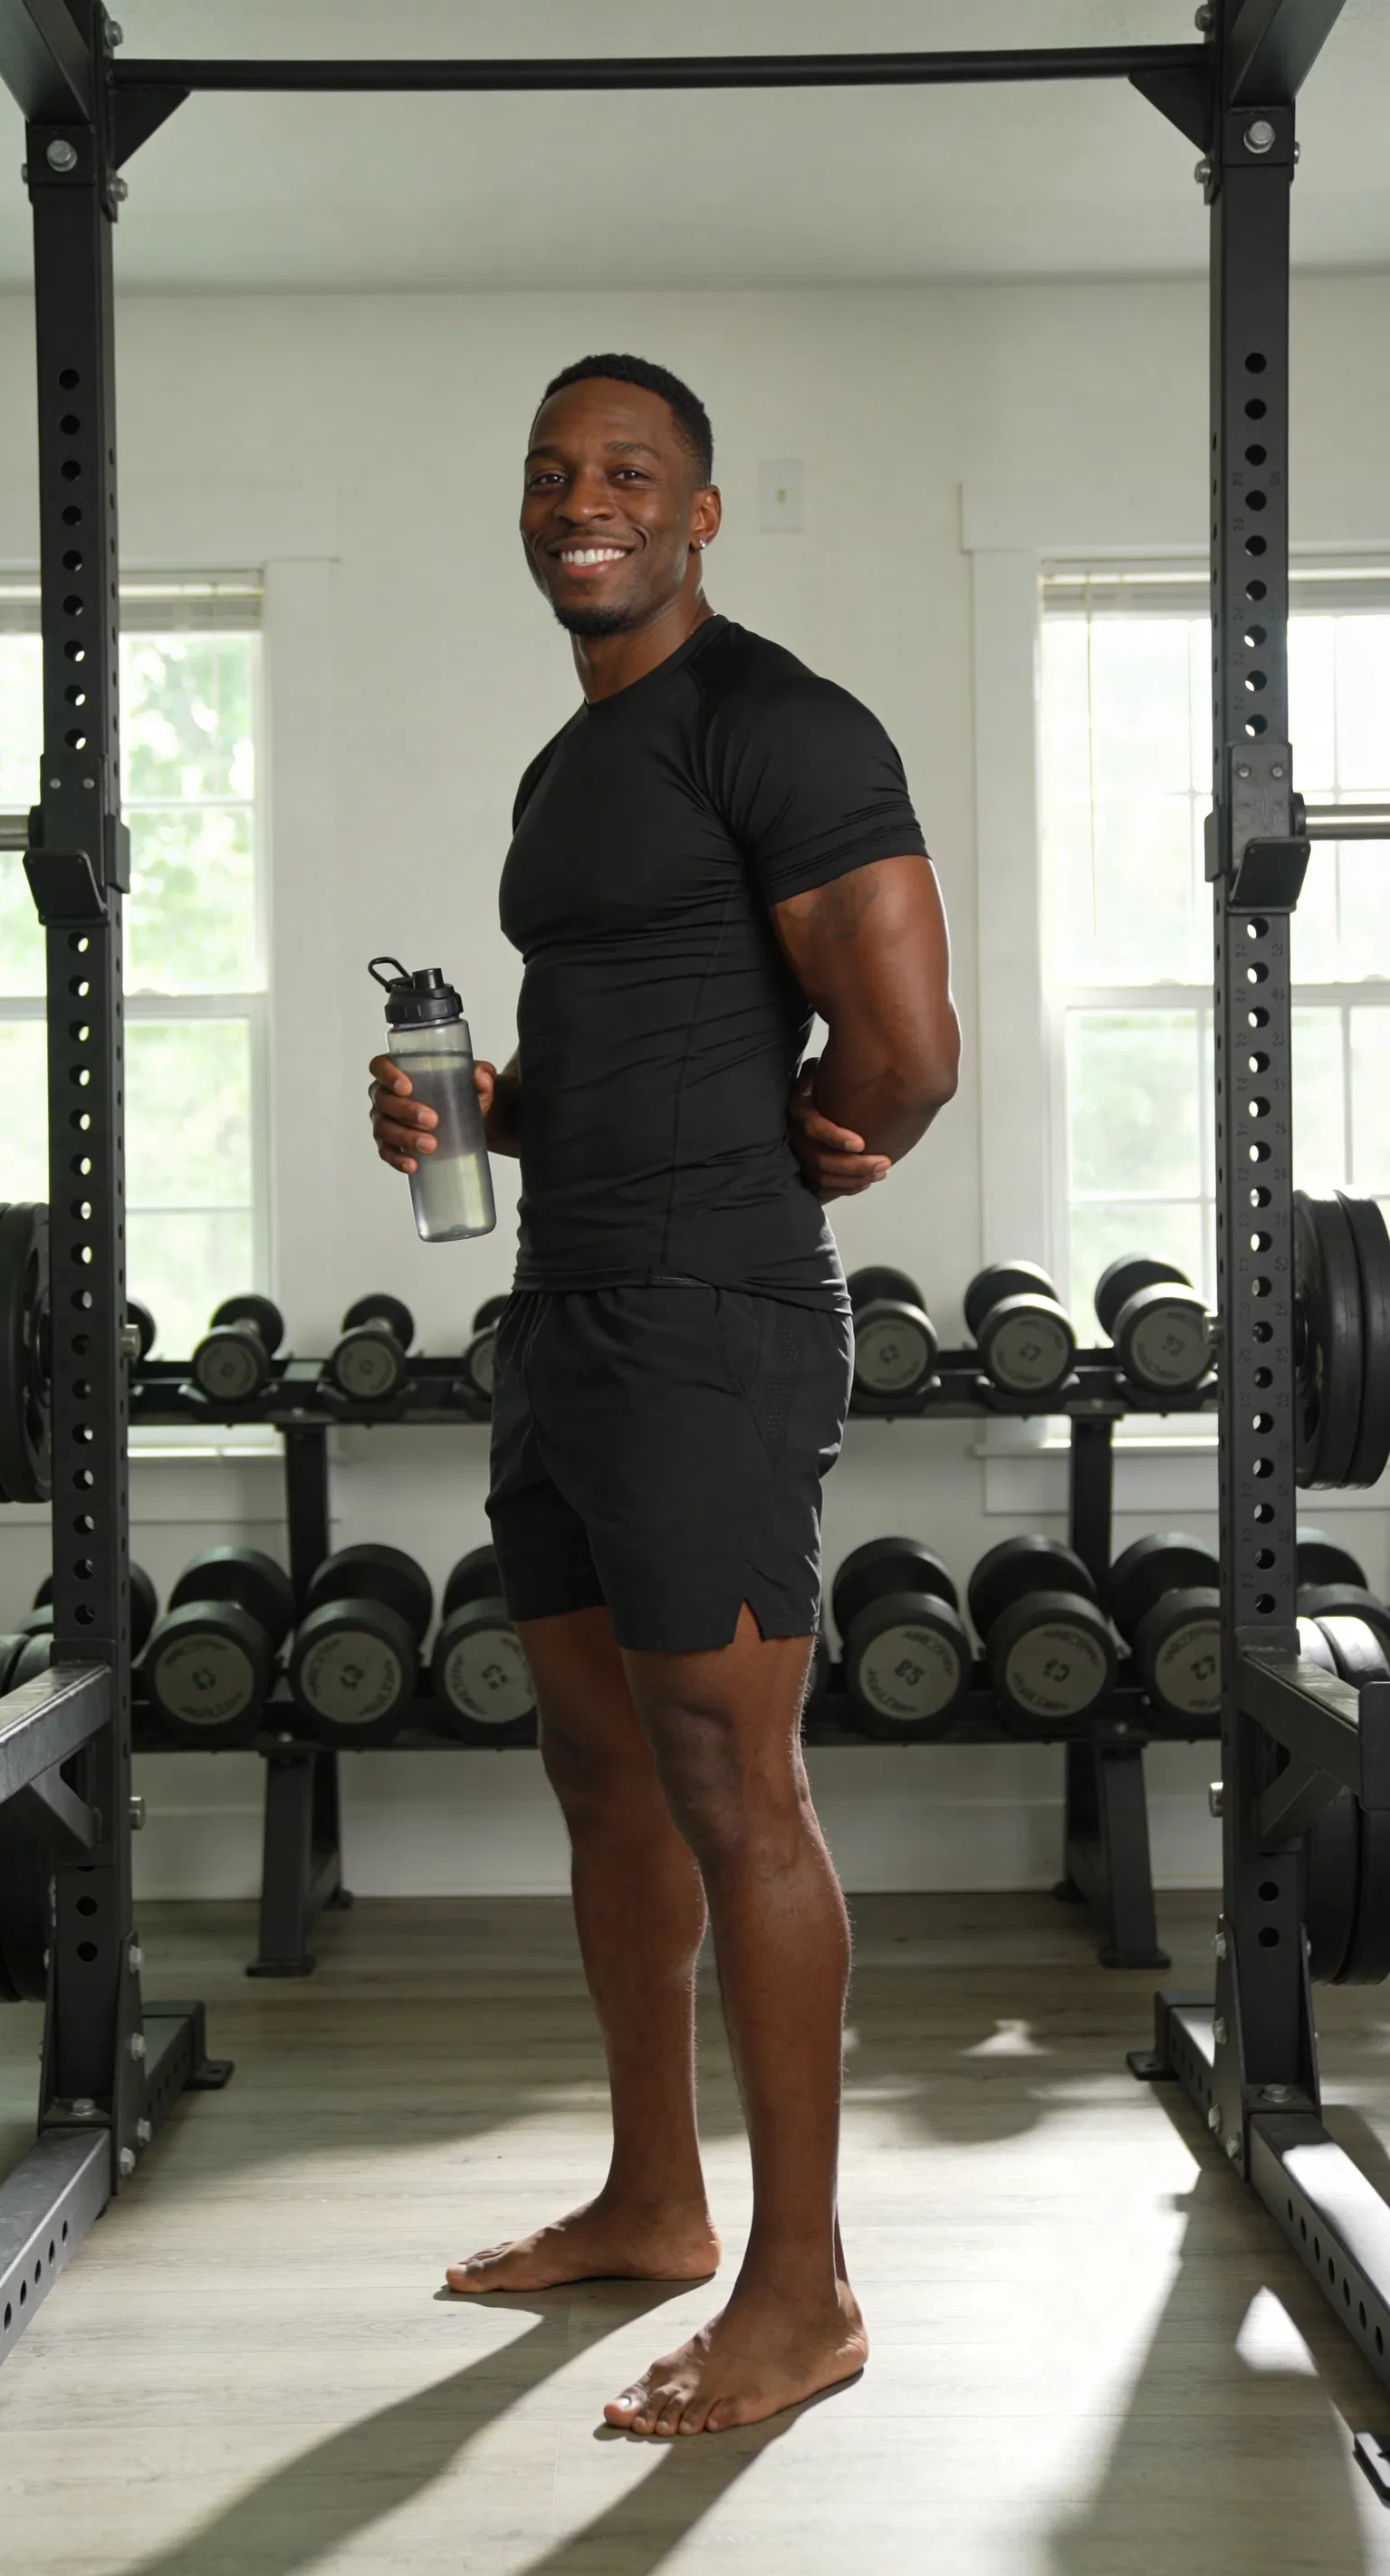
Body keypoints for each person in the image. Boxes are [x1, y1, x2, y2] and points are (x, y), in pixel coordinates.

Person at [369, 353, 959, 2437]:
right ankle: (652, 2198)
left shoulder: (775, 723)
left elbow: (903, 1046)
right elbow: (620, 1046)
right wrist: (485, 1108)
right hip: (565, 1311)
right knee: (600, 1773)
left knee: (732, 1784)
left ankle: (806, 2297)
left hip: (710, 1319)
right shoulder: (570, 767)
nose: (580, 501)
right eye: (550, 472)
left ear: (698, 513)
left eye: (626, 472)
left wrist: (823, 1138)